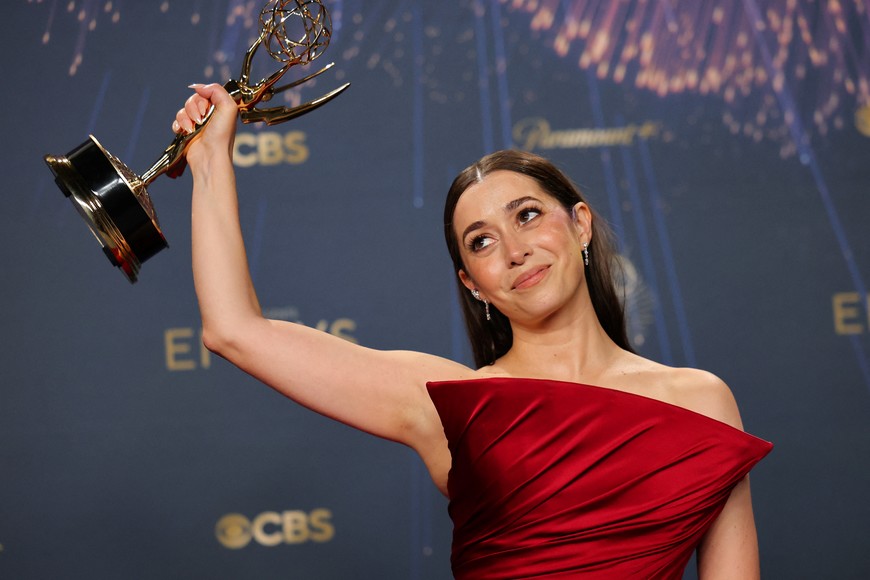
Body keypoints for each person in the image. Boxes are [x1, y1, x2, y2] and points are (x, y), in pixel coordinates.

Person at [175, 83, 772, 579]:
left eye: (528, 215)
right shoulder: (448, 403)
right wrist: (209, 160)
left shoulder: (701, 401)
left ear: (581, 224)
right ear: (473, 284)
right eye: (481, 241)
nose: (514, 250)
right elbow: (233, 330)